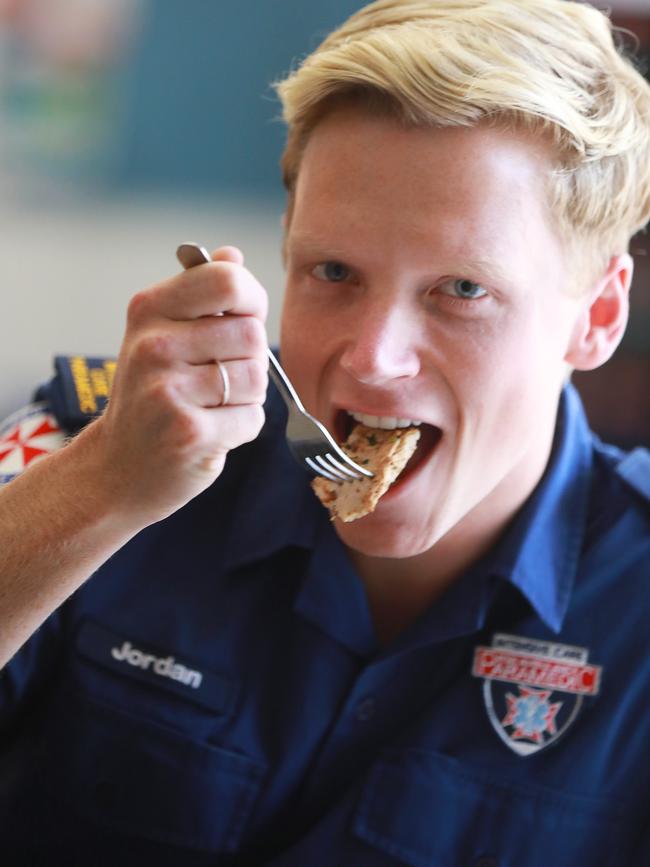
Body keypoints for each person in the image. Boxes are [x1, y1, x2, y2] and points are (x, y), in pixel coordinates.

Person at [1, 0, 650, 863]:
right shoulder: (106, 448)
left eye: (462, 290)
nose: (374, 358)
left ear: (598, 315)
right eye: (333, 270)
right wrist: (98, 491)